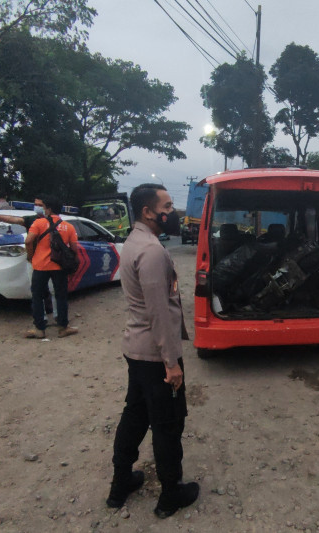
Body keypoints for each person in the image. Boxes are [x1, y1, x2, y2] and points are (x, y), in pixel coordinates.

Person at [106, 183, 199, 517]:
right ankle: (170, 494)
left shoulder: (133, 242)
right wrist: (171, 363)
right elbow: (159, 312)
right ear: (149, 212)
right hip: (156, 355)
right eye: (168, 205)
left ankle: (119, 486)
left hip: (137, 348)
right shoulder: (153, 251)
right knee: (168, 424)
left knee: (135, 413)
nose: (172, 212)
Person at [24, 195, 79, 339]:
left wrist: (30, 256)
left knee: (37, 297)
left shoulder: (38, 223)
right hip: (59, 267)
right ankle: (62, 328)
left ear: (47, 209)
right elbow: (74, 248)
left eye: (43, 207)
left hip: (40, 266)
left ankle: (39, 329)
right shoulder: (69, 226)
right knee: (61, 296)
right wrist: (73, 264)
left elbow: (29, 241)